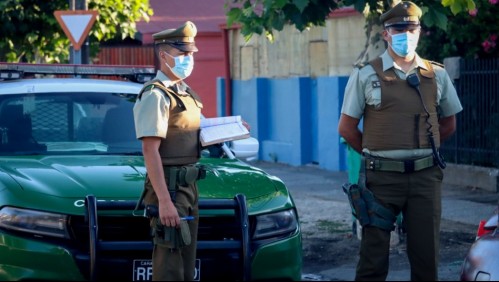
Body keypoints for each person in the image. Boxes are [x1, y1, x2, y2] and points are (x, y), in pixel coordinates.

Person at [337, 1, 463, 281]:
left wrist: (424, 148)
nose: (405, 33)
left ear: (419, 32)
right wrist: (376, 153)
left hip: (425, 179)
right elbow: (346, 128)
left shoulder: (437, 74)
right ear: (386, 33)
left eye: (411, 28)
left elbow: (449, 123)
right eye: (398, 28)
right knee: (372, 260)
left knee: (426, 260)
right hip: (381, 181)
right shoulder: (365, 74)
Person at [133, 21, 205, 281]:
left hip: (188, 185)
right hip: (170, 187)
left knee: (186, 260)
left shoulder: (184, 92)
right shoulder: (156, 95)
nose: (189, 59)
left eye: (191, 54)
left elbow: (188, 133)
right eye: (182, 54)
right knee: (170, 264)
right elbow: (150, 150)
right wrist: (164, 201)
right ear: (164, 56)